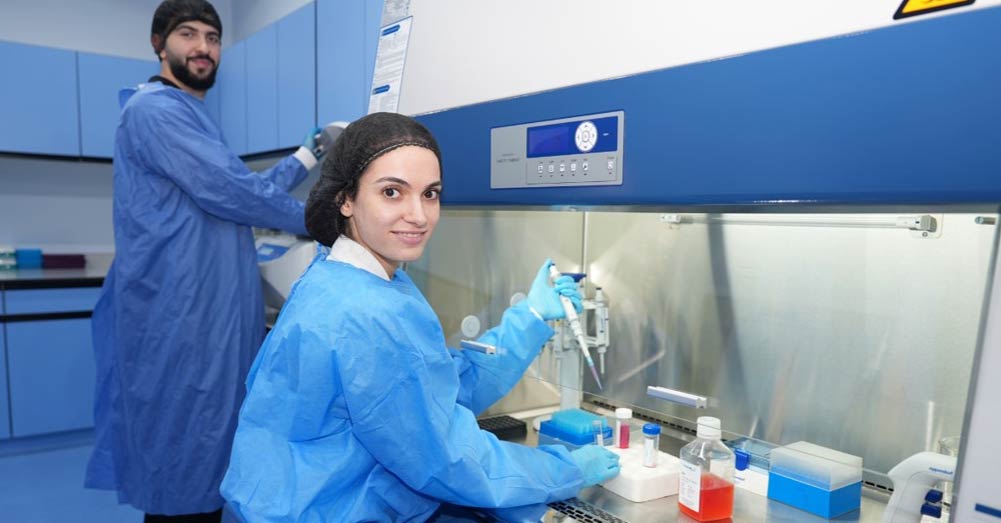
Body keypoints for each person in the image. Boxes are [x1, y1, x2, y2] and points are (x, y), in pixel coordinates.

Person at [220, 112, 620, 522]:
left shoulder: (342, 277)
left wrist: (531, 316)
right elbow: (446, 458)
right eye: (392, 192)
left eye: (430, 193)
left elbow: (437, 383)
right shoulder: (366, 312)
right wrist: (566, 469)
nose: (419, 215)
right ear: (346, 199)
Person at [85, 1, 325, 521]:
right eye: (188, 34)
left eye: (213, 38)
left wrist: (305, 157)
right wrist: (329, 220)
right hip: (182, 319)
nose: (203, 47)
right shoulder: (155, 110)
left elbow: (233, 190)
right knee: (183, 460)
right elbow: (234, 192)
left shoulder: (189, 116)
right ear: (159, 44)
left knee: (202, 456)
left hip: (204, 316)